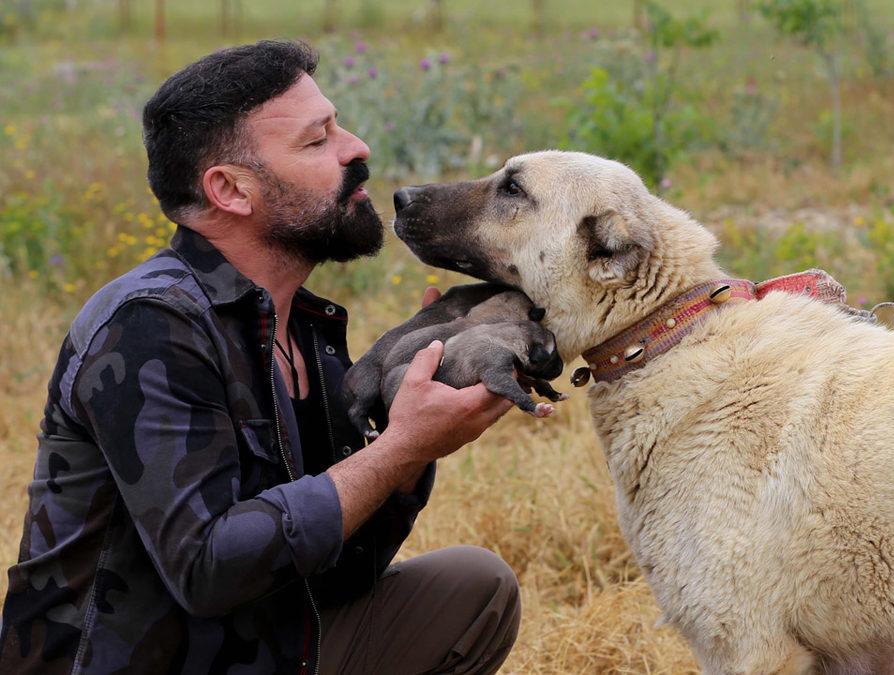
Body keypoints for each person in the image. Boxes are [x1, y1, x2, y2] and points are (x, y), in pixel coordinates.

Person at [0, 40, 520, 674]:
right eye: (316, 140)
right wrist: (401, 447)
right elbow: (208, 570)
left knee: (473, 589)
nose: (355, 148)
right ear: (231, 190)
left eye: (338, 125)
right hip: (141, 663)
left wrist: (411, 431)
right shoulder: (148, 326)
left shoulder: (302, 327)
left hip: (260, 647)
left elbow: (343, 570)